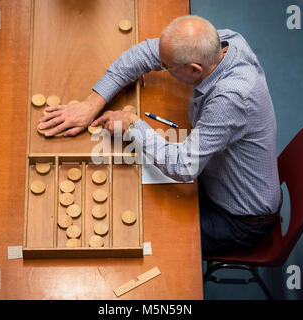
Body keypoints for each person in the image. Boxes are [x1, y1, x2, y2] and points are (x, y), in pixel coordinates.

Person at [38, 15, 282, 255]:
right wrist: (91, 104)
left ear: (194, 69)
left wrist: (133, 125)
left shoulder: (231, 99)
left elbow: (184, 167)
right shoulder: (226, 42)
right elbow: (144, 53)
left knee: (149, 237)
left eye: (165, 67)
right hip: (215, 177)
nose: (159, 67)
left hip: (240, 218)